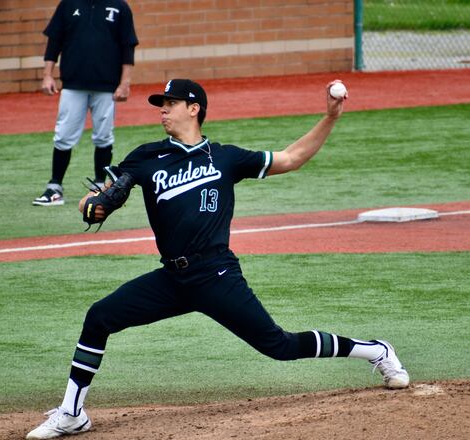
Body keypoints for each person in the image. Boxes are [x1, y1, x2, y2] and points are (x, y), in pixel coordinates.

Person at [26, 79, 409, 439]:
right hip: (171, 280)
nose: (162, 110)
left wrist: (329, 117)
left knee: (279, 346)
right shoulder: (146, 157)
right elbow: (93, 202)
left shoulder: (226, 158)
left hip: (217, 276)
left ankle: (376, 350)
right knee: (99, 317)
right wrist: (94, 205)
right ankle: (73, 414)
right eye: (161, 104)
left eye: (170, 104)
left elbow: (291, 158)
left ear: (194, 109)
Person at [33, 0, 139, 206]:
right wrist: (47, 75)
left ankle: (100, 187)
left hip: (107, 84)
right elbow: (54, 40)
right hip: (73, 83)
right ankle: (55, 187)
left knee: (103, 135)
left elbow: (128, 47)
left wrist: (125, 83)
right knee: (63, 134)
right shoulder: (68, 5)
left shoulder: (120, 7)